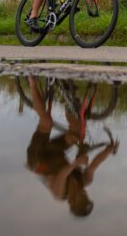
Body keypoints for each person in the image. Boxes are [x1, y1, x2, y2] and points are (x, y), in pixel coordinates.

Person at [25, 75, 119, 217]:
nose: (85, 195)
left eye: (83, 199)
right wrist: (109, 150)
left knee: (46, 122)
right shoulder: (85, 181)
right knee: (77, 134)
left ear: (72, 202)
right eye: (87, 198)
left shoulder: (59, 193)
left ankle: (31, 82)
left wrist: (76, 163)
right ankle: (69, 100)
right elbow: (95, 164)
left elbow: (62, 174)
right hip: (57, 153)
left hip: (38, 158)